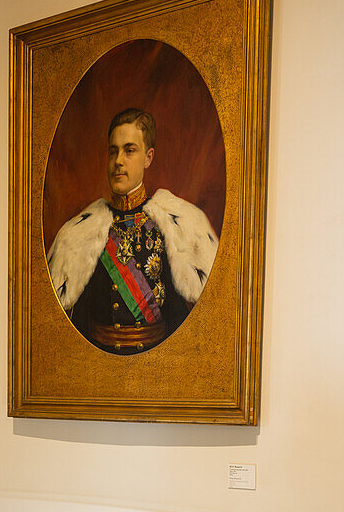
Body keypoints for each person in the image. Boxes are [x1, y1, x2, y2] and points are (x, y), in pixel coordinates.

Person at [47, 107, 219, 355]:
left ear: (148, 158)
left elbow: (182, 319)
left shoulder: (176, 225)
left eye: (129, 151)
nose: (118, 161)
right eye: (113, 151)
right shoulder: (80, 232)